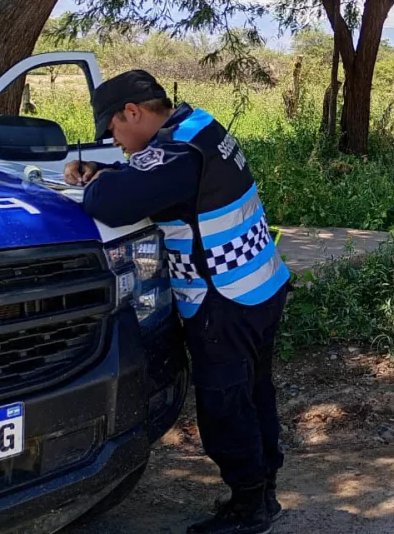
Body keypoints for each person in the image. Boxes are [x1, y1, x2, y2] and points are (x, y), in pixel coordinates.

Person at [64, 70, 290, 534]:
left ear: (132, 112)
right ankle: (264, 486)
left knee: (224, 403)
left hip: (223, 301)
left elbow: (110, 205)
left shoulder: (174, 152)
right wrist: (112, 172)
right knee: (254, 391)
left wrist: (95, 183)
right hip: (260, 287)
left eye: (112, 131)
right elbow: (157, 179)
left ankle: (251, 509)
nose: (115, 141)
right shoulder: (200, 127)